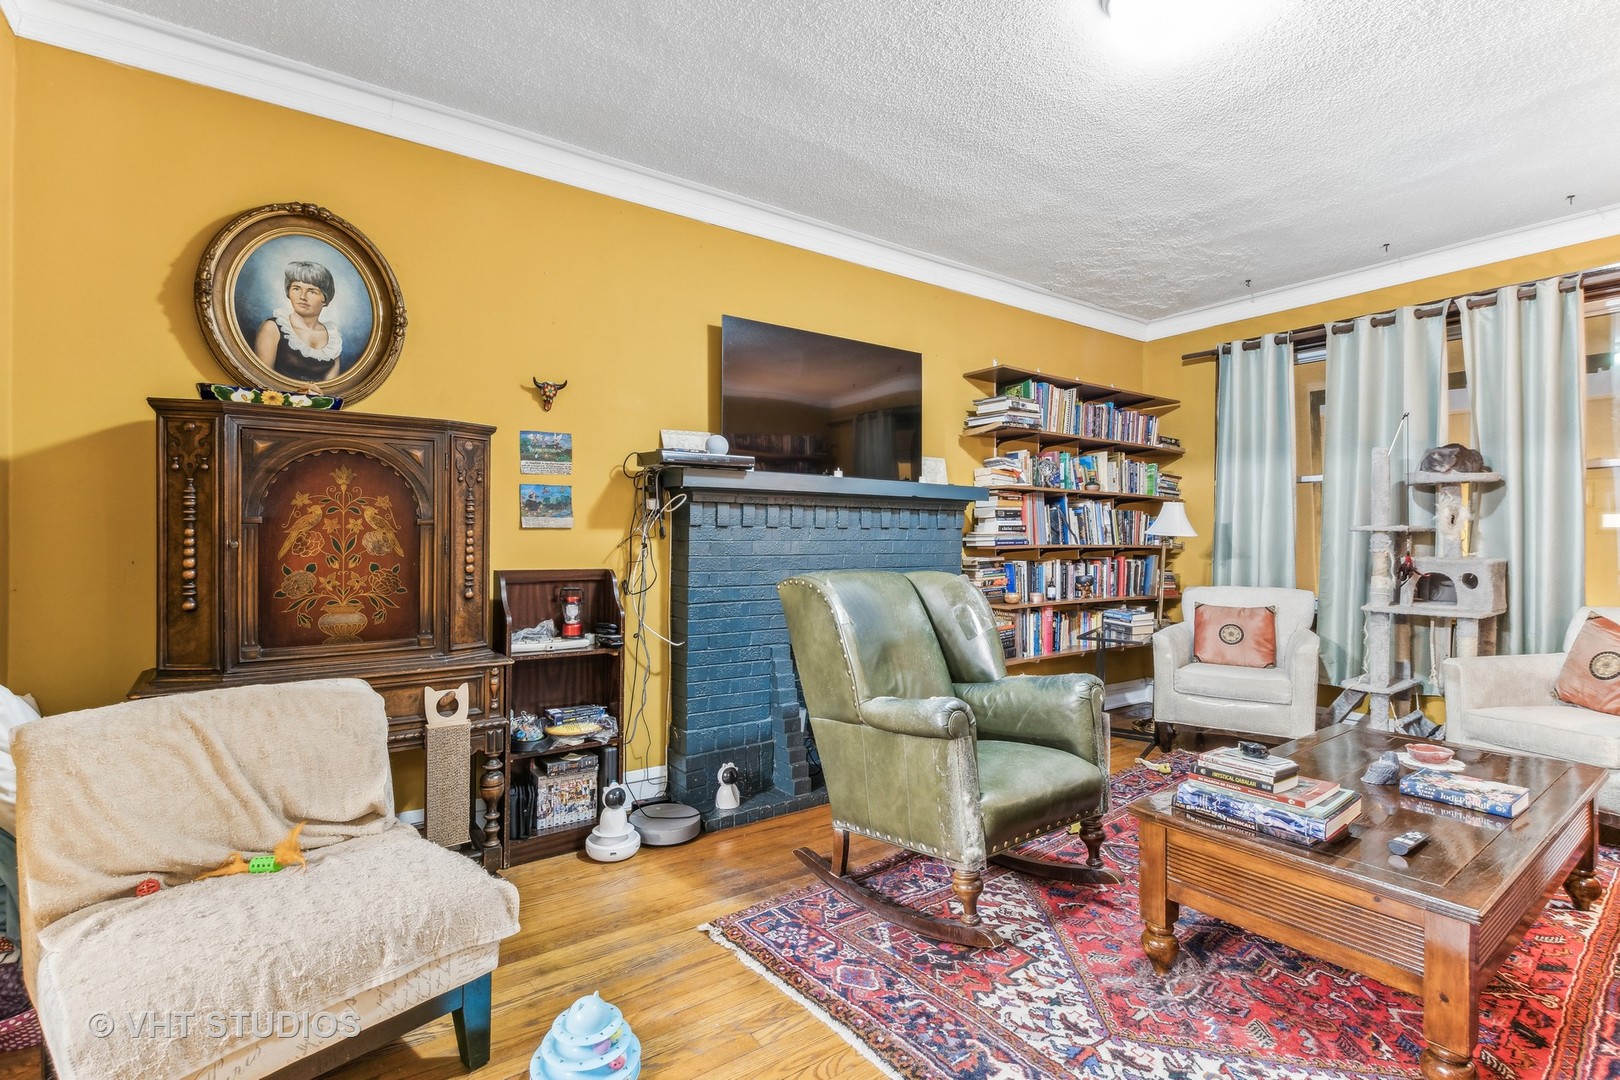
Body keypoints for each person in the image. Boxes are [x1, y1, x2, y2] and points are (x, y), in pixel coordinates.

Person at [254, 260, 344, 382]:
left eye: (312, 291)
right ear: (288, 291)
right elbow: (261, 380)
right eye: (296, 288)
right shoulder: (273, 327)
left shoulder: (332, 337)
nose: (302, 296)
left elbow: (331, 387)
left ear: (325, 297)